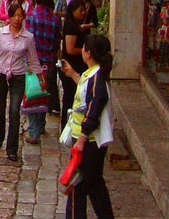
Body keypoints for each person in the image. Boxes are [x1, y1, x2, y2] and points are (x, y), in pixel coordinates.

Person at [59, 34, 116, 219]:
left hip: (89, 140)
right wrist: (73, 74)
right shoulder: (93, 74)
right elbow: (87, 94)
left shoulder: (97, 77)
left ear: (88, 53)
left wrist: (81, 140)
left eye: (84, 47)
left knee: (77, 186)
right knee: (94, 185)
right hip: (89, 140)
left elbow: (93, 110)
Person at [0, 2, 40, 161]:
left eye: (20, 15)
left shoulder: (28, 37)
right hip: (0, 74)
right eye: (14, 15)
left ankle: (12, 149)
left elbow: (33, 59)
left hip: (18, 76)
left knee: (15, 110)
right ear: (9, 17)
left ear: (24, 17)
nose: (17, 19)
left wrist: (40, 77)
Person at [24, 0, 62, 144]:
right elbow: (56, 42)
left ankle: (34, 131)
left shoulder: (32, 17)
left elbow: (28, 41)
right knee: (44, 94)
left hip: (34, 62)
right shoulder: (55, 19)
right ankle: (40, 125)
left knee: (33, 95)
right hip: (49, 62)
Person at [60, 0, 89, 124]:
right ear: (72, 11)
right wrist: (86, 51)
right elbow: (70, 49)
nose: (83, 13)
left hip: (75, 65)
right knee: (70, 97)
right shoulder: (71, 27)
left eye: (84, 10)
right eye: (80, 11)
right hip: (72, 66)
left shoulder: (75, 24)